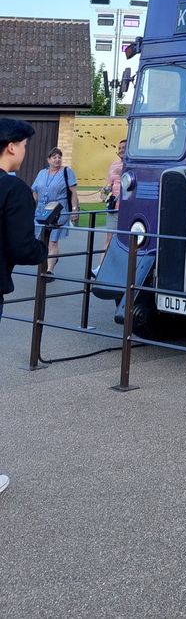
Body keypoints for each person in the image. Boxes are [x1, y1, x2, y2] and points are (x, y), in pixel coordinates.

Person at [0, 118, 49, 497]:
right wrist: (42, 249)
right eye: (25, 146)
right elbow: (21, 246)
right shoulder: (13, 189)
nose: (25, 153)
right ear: (12, 146)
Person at [32, 147, 79, 275]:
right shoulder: (42, 173)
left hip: (59, 209)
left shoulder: (67, 172)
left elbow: (73, 192)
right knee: (42, 238)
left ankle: (49, 270)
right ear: (48, 160)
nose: (57, 159)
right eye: (54, 157)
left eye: (59, 157)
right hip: (41, 210)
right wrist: (30, 207)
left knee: (53, 240)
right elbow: (35, 191)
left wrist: (75, 210)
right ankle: (50, 259)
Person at [94, 138, 126, 274]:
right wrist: (105, 191)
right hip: (114, 206)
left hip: (128, 208)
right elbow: (109, 184)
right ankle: (101, 268)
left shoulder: (135, 164)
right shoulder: (114, 165)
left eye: (124, 147)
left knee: (127, 240)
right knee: (109, 238)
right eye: (119, 148)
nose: (121, 151)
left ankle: (124, 270)